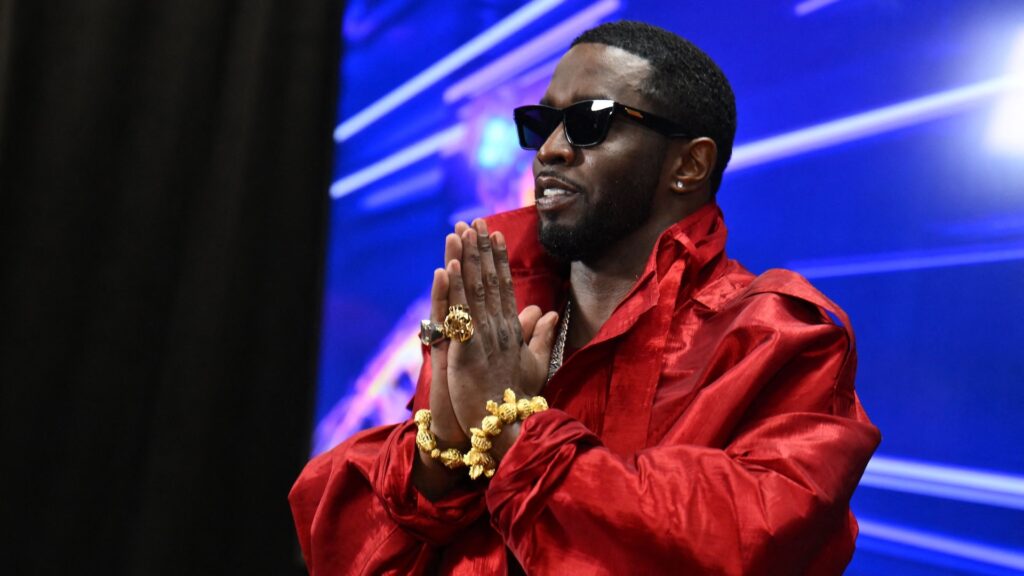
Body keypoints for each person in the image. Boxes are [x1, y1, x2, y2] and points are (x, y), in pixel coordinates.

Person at [290, 21, 880, 575]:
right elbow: (348, 541)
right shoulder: (497, 310)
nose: (548, 149)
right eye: (540, 124)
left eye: (588, 122)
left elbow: (736, 542)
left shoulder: (779, 337)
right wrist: (438, 452)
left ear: (689, 164)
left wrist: (511, 435)